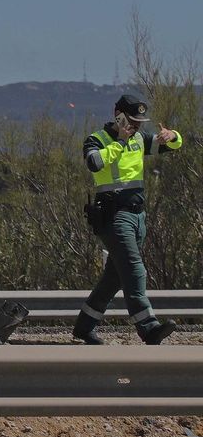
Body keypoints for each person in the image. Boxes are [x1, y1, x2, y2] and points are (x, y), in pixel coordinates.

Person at [74, 94, 184, 345]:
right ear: (118, 115)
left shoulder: (139, 139)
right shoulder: (97, 139)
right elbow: (94, 162)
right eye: (132, 121)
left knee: (114, 276)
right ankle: (148, 327)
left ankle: (84, 325)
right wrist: (120, 143)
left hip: (138, 217)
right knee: (134, 270)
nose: (136, 126)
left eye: (139, 122)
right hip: (114, 216)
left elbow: (171, 146)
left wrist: (173, 135)